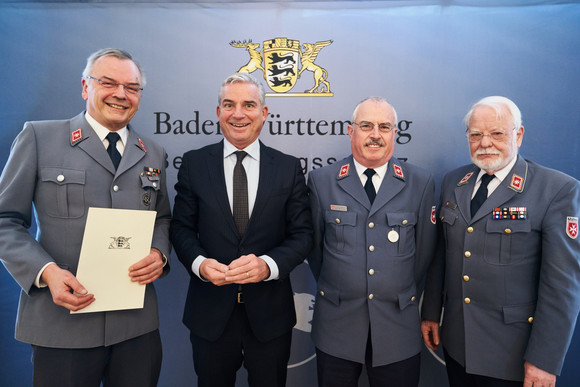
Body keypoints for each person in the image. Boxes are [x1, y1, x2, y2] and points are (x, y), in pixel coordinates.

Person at [0, 48, 171, 387]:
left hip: (136, 328)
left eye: (132, 87)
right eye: (108, 82)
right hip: (63, 323)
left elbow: (162, 219)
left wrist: (158, 253)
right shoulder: (40, 137)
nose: (121, 94)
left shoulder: (153, 152)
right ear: (85, 87)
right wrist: (45, 273)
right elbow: (5, 220)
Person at [421, 96, 580, 386]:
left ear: (518, 135)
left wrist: (545, 360)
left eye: (496, 133)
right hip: (457, 344)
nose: (485, 143)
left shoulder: (556, 190)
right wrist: (431, 311)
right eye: (476, 135)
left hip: (512, 354)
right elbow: (441, 253)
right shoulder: (454, 182)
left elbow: (562, 286)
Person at [169, 73, 312, 387]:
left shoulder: (288, 168)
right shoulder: (194, 164)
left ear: (263, 113)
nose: (238, 113)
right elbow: (181, 228)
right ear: (218, 112)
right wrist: (200, 265)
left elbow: (303, 235)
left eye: (248, 105)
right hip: (210, 315)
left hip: (270, 317)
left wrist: (268, 266)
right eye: (228, 104)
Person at [307, 97, 437, 387]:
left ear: (394, 133)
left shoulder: (420, 182)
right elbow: (316, 253)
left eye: (384, 126)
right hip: (337, 327)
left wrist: (393, 288)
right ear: (351, 132)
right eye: (366, 126)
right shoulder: (322, 181)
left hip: (396, 328)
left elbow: (425, 254)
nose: (375, 134)